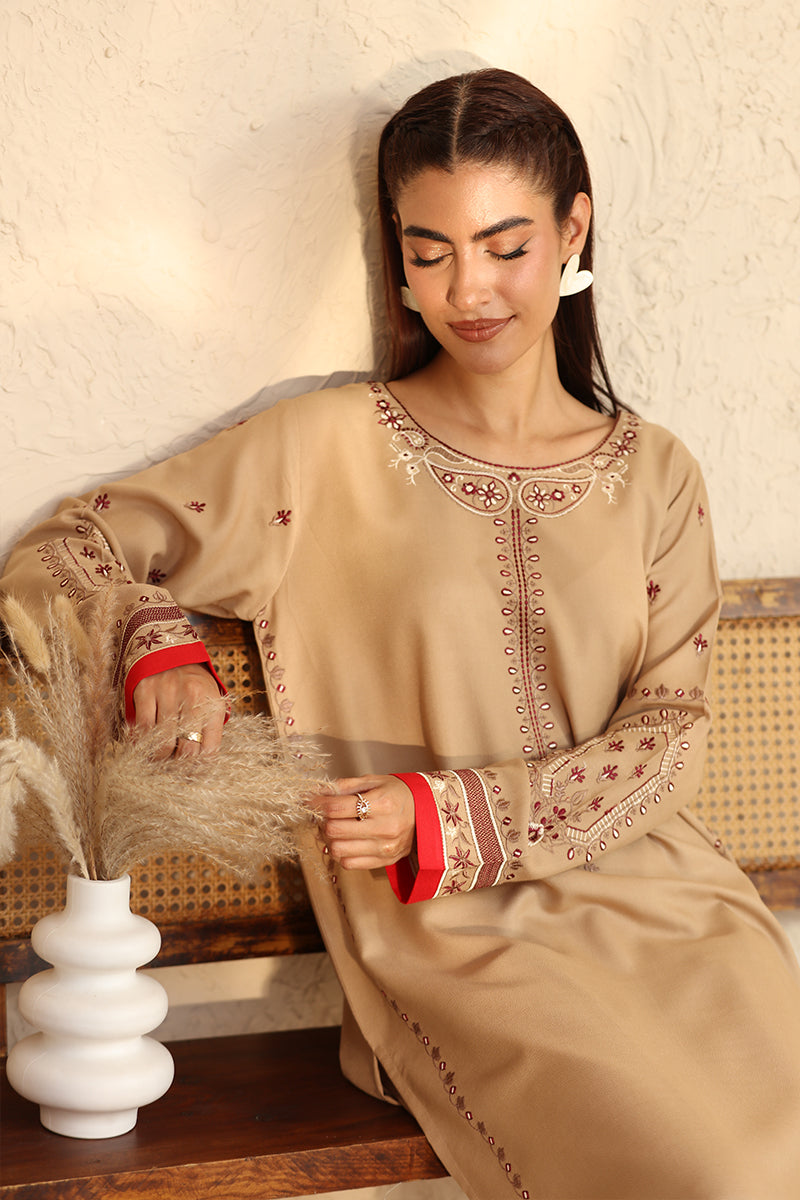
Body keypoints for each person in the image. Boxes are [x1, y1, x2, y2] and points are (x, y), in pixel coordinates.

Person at [3, 68, 800, 1199]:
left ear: (574, 227)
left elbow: (670, 733)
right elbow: (67, 553)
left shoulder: (656, 473)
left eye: (503, 245)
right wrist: (157, 646)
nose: (466, 289)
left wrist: (456, 809)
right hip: (447, 935)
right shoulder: (321, 451)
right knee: (705, 1171)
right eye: (429, 252)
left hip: (667, 905)